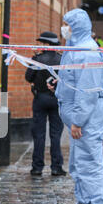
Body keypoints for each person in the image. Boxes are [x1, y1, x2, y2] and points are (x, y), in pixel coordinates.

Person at [49, 9, 103, 204]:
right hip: (80, 117)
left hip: (87, 119)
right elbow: (74, 80)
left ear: (78, 26)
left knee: (89, 165)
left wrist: (78, 121)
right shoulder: (76, 47)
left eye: (68, 24)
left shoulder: (87, 52)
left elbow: (87, 91)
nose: (65, 28)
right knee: (78, 165)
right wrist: (59, 85)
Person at [25, 31, 66, 177]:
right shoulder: (62, 59)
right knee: (56, 135)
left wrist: (34, 60)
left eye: (42, 43)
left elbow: (28, 77)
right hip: (57, 99)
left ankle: (37, 167)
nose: (40, 45)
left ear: (47, 44)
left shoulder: (38, 59)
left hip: (40, 98)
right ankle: (56, 167)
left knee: (39, 135)